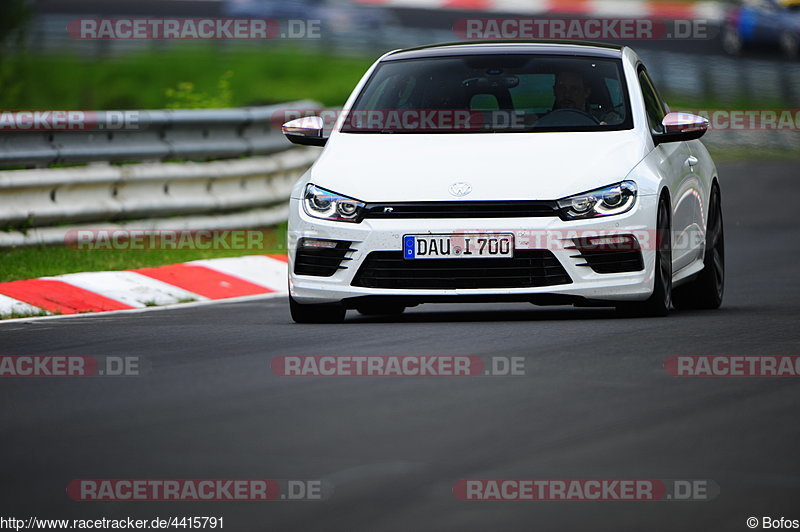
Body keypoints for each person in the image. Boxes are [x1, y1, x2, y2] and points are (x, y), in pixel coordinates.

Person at [552, 70, 622, 125]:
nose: (566, 94)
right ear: (554, 91)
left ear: (586, 92)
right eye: (561, 88)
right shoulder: (542, 122)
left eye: (574, 89)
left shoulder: (608, 119)